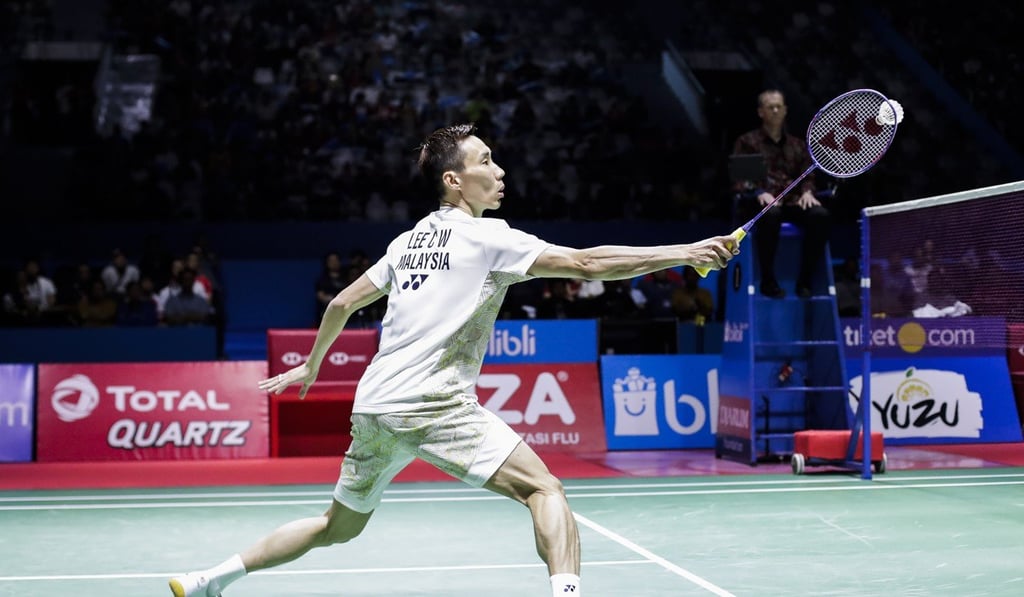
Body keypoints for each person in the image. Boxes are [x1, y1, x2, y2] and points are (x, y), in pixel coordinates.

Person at [168, 124, 739, 597]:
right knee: (545, 491)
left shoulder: (406, 242)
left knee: (334, 528)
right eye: (486, 161)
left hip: (375, 405)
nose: (500, 170)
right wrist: (686, 253)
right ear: (454, 179)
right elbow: (587, 265)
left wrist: (314, 365)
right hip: (431, 402)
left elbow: (343, 301)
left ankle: (209, 580)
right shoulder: (489, 237)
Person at [732, 89, 830, 298]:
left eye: (779, 107)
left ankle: (805, 281)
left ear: (785, 110)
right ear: (761, 112)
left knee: (820, 215)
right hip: (761, 205)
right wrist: (759, 192)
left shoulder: (798, 145)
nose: (775, 111)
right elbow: (740, 180)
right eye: (770, 107)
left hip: (793, 202)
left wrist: (807, 192)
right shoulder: (748, 142)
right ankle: (768, 280)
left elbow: (807, 176)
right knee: (771, 214)